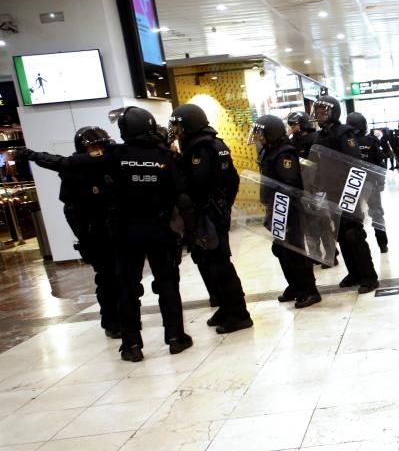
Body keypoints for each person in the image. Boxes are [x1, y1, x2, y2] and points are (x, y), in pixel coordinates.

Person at [22, 107, 196, 362]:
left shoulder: (116, 155)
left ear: (126, 130)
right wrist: (191, 234)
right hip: (161, 232)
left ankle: (132, 345)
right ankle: (175, 338)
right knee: (168, 285)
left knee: (127, 290)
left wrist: (32, 155)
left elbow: (67, 163)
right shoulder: (166, 157)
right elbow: (183, 199)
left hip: (126, 234)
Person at [169, 103, 253, 334]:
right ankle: (227, 308)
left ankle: (239, 314)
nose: (176, 132)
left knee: (219, 265)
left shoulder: (198, 149)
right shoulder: (216, 143)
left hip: (207, 217)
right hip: (215, 213)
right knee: (210, 263)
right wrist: (225, 206)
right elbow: (232, 180)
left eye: (178, 126)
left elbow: (195, 186)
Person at [251, 114, 321, 309]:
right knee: (281, 249)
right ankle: (295, 286)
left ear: (271, 133)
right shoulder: (269, 151)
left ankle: (309, 290)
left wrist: (283, 210)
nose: (258, 136)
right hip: (277, 207)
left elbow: (289, 185)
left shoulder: (285, 153)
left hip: (289, 209)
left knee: (295, 250)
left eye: (261, 132)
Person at [312, 94, 380, 292]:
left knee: (353, 234)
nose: (319, 114)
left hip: (347, 190)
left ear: (334, 112)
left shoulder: (344, 133)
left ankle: (369, 276)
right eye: (317, 110)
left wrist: (352, 190)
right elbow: (317, 163)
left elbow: (355, 162)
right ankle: (354, 273)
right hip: (331, 191)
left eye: (323, 110)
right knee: (340, 233)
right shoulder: (319, 136)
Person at [59, 126, 121, 338]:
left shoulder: (110, 166)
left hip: (117, 233)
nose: (97, 151)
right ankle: (111, 321)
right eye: (93, 147)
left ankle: (126, 316)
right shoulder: (74, 172)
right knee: (106, 280)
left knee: (123, 278)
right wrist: (84, 237)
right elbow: (70, 210)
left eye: (100, 146)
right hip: (95, 237)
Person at [288, 110, 337, 267]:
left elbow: (317, 163)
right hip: (302, 187)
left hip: (317, 186)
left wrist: (301, 162)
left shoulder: (314, 139)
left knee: (323, 222)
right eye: (291, 125)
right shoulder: (293, 141)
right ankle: (315, 254)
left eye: (294, 124)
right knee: (309, 224)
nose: (293, 127)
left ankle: (330, 255)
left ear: (303, 123)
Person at [345, 113, 390, 253]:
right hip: (371, 183)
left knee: (355, 217)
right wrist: (381, 182)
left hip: (352, 185)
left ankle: (360, 248)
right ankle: (383, 244)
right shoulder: (371, 141)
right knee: (377, 214)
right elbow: (381, 163)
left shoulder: (346, 142)